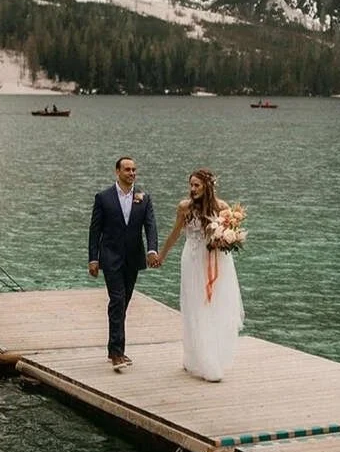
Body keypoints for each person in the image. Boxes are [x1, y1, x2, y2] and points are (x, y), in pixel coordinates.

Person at [157, 168, 244, 382]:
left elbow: (225, 234)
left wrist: (225, 239)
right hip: (193, 259)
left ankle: (213, 356)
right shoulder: (184, 207)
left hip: (216, 261)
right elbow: (175, 233)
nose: (192, 189)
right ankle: (196, 358)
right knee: (194, 306)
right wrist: (160, 256)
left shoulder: (221, 207)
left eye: (197, 185)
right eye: (191, 185)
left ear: (207, 186)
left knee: (216, 306)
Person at [88, 156, 159, 371]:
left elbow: (151, 226)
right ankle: (117, 352)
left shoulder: (144, 198)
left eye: (134, 170)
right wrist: (93, 258)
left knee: (124, 301)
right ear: (117, 172)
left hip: (133, 257)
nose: (132, 173)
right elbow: (95, 230)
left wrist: (152, 249)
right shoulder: (103, 197)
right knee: (117, 300)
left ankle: (114, 348)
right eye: (127, 169)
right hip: (110, 257)